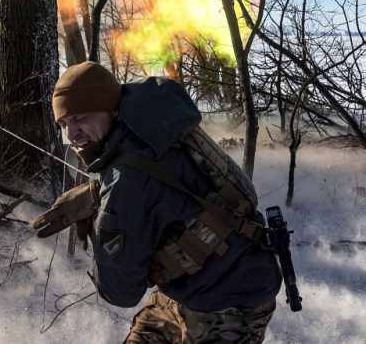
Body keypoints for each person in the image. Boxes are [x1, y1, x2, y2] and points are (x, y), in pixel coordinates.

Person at [32, 61, 283, 343]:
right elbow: (161, 185)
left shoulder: (124, 186)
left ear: (111, 108)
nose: (71, 134)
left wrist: (97, 223)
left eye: (80, 119)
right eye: (64, 123)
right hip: (200, 285)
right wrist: (95, 191)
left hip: (230, 304)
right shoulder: (152, 127)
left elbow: (120, 292)